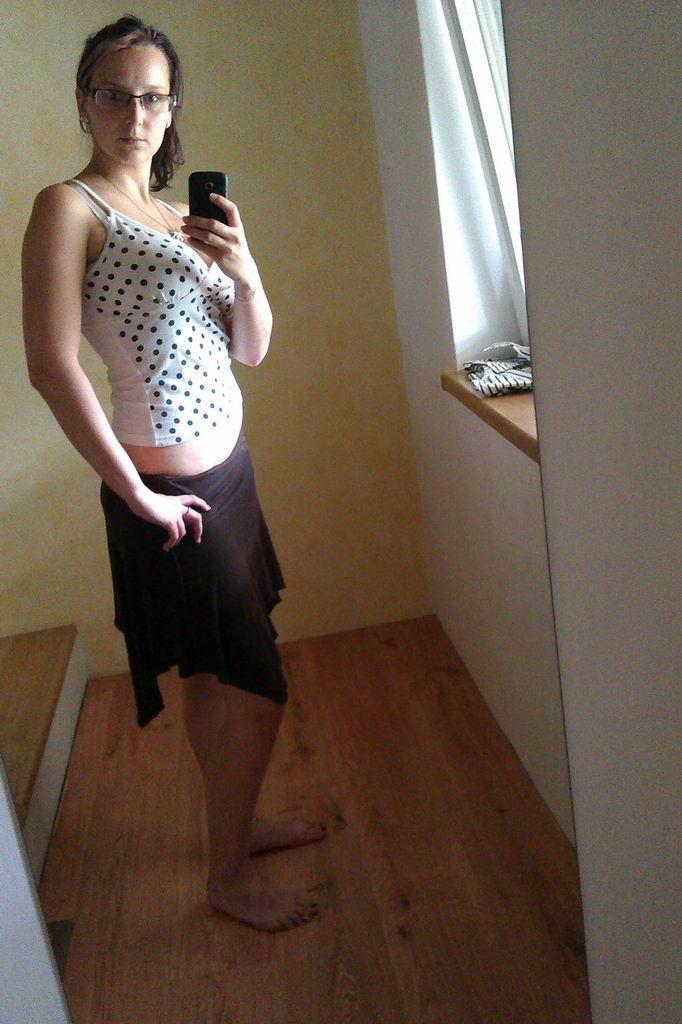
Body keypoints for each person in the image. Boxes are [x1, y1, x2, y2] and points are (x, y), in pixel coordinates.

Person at [21, 14, 327, 932]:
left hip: (230, 476)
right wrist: (136, 494)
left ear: (173, 106)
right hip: (167, 497)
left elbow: (251, 349)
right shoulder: (68, 208)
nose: (135, 115)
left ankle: (237, 826)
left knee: (213, 675)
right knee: (256, 688)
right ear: (84, 101)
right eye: (113, 94)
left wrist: (247, 269)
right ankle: (229, 878)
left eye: (153, 97)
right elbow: (52, 366)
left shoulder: (180, 217)